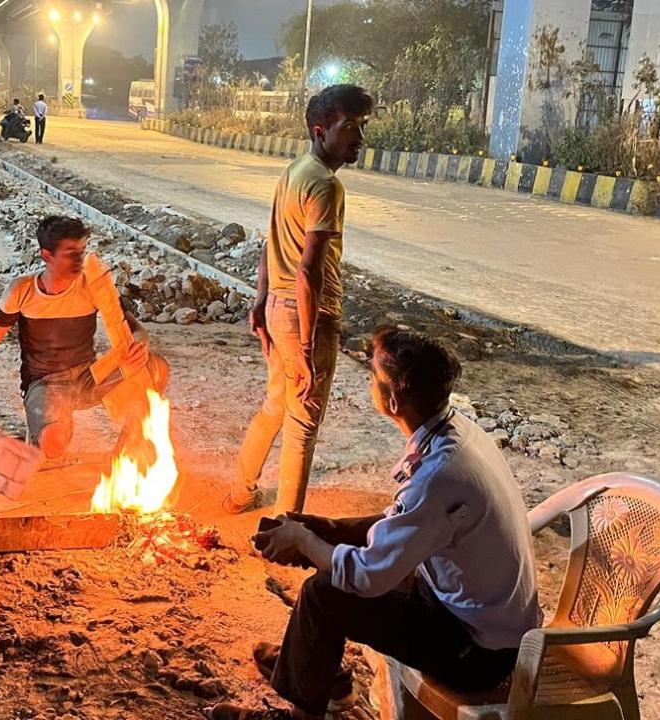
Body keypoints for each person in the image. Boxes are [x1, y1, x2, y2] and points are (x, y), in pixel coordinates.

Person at [210, 329, 541, 720]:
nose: (368, 382)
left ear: (394, 400)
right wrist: (324, 528)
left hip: (476, 652)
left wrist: (301, 539)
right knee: (328, 547)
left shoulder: (438, 477)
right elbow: (405, 522)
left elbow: (368, 576)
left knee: (324, 593)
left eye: (373, 376)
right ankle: (315, 667)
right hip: (472, 614)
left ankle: (300, 711)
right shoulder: (456, 432)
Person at [225, 84, 374, 515]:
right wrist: (308, 348)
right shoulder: (326, 186)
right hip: (306, 316)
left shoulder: (293, 172)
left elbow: (269, 240)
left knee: (276, 405)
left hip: (278, 310)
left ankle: (240, 492)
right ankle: (285, 528)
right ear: (320, 129)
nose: (359, 138)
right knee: (303, 424)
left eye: (362, 126)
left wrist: (261, 301)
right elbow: (308, 270)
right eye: (350, 127)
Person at [0, 215, 169, 459]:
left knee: (155, 367)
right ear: (47, 255)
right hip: (46, 383)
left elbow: (132, 328)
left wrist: (140, 344)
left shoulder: (91, 286)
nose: (80, 260)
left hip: (90, 376)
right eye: (71, 254)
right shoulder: (22, 291)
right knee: (53, 446)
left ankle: (126, 451)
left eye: (82, 251)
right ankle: (39, 432)